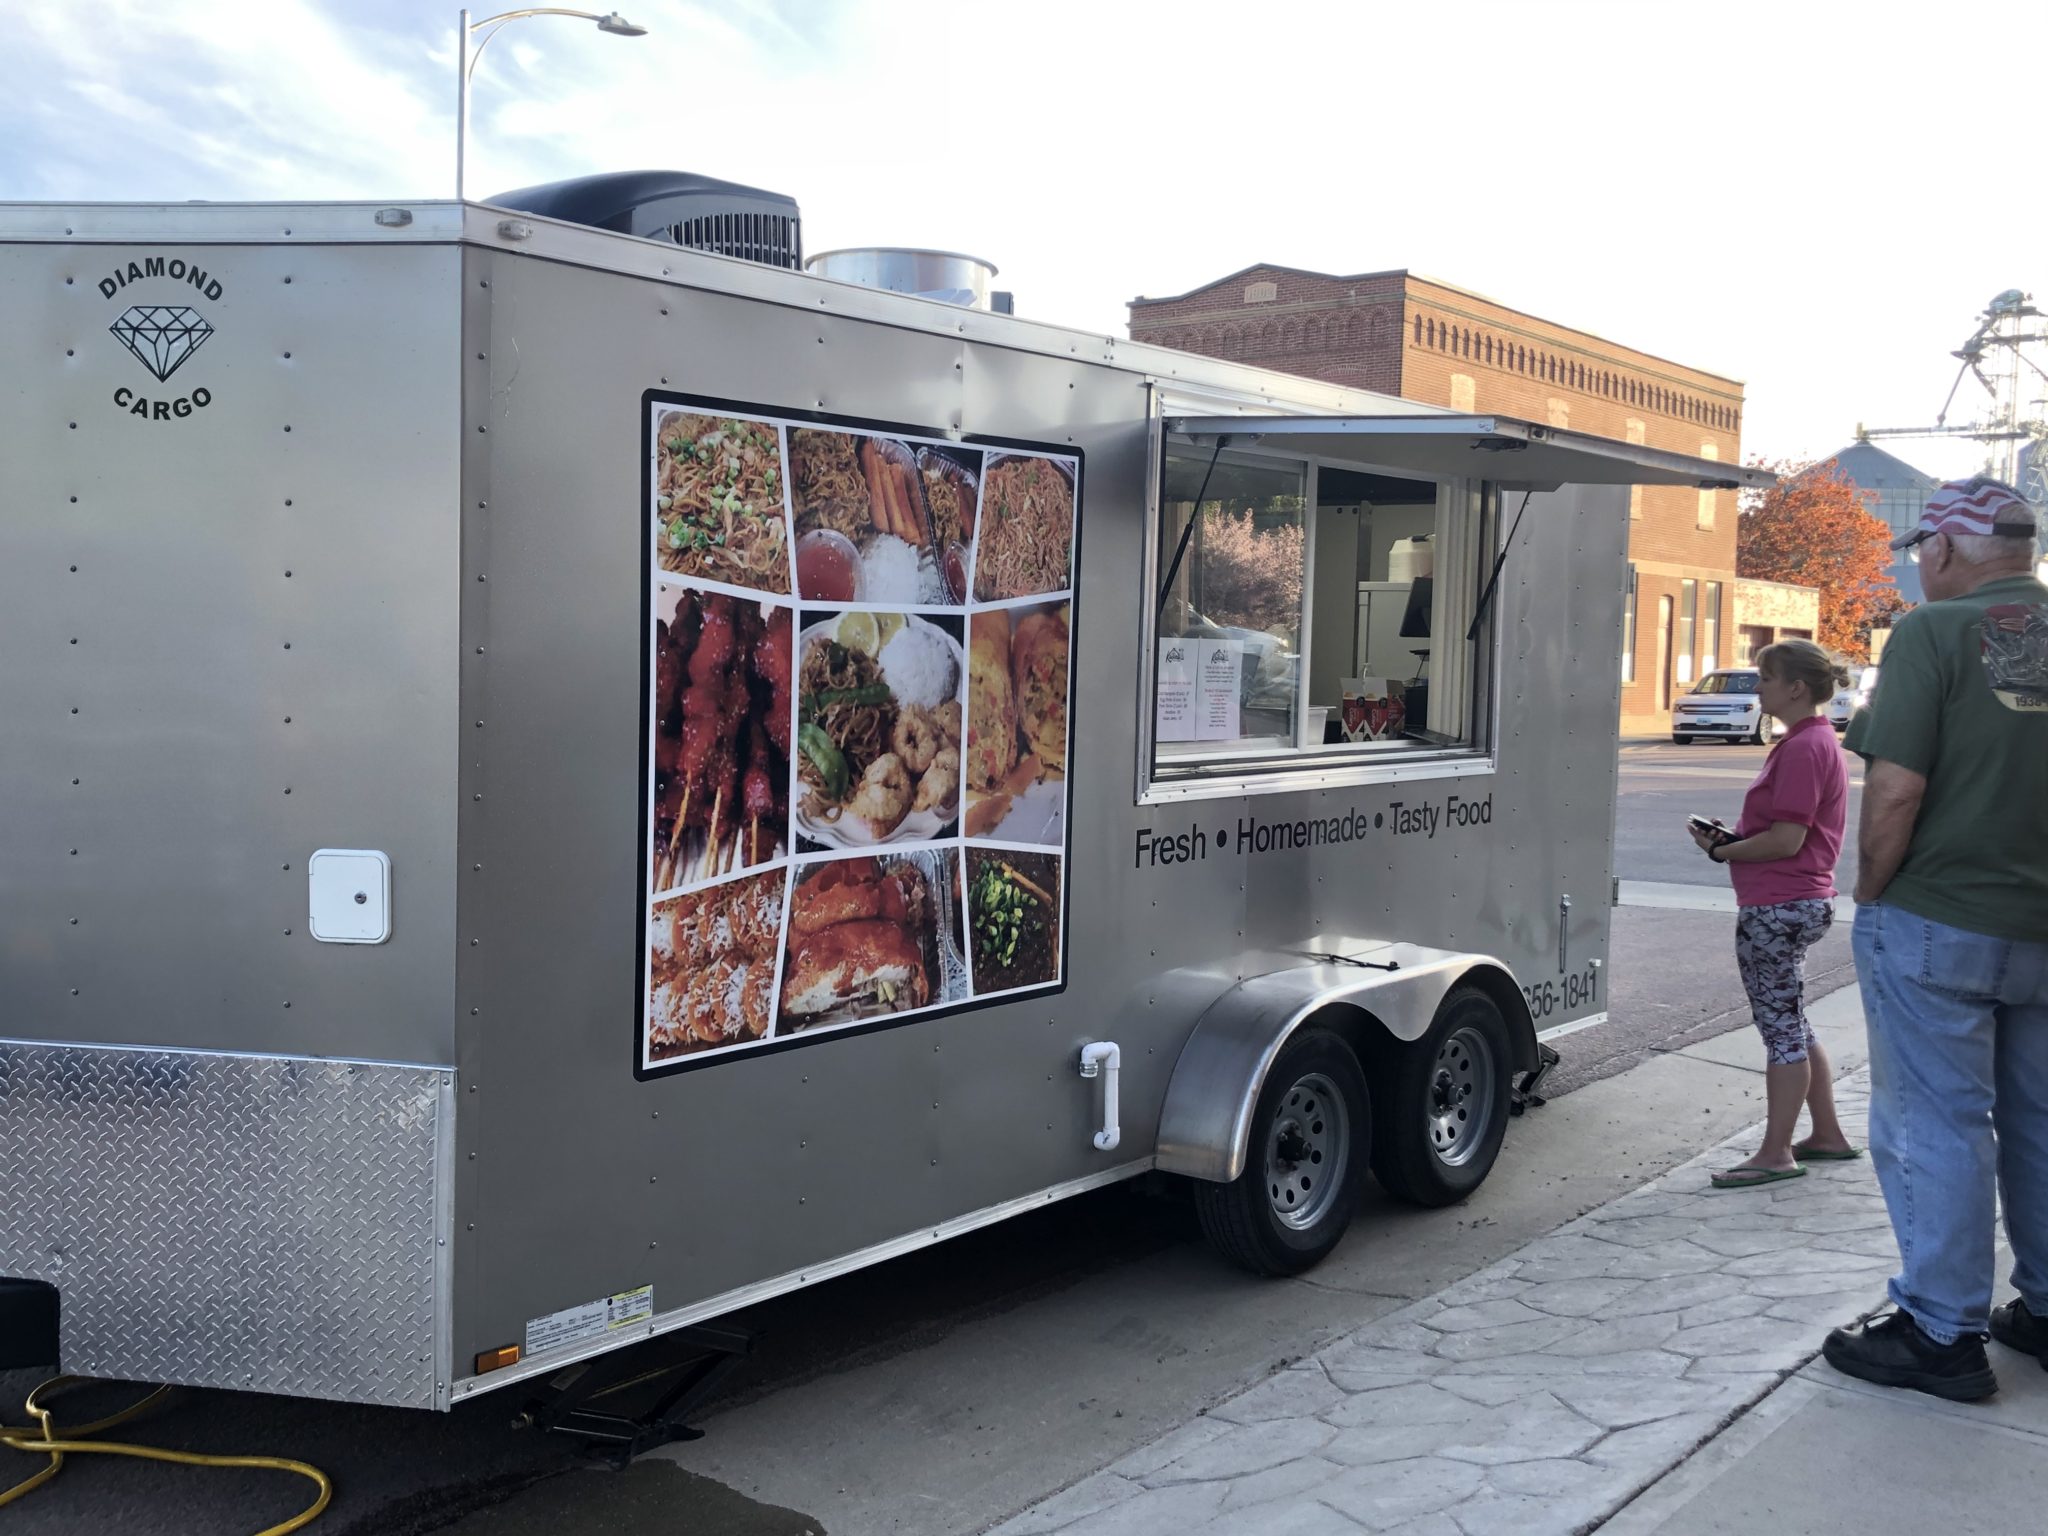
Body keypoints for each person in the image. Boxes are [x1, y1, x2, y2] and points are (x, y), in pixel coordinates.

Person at [1822, 475, 2048, 1402]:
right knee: (2039, 1120)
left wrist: (1872, 896)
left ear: (1946, 550)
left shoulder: (1931, 633)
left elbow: (1897, 789)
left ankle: (1939, 1327)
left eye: (1921, 550)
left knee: (1934, 1123)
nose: (1919, 567)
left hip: (1941, 922)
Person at [1688, 640, 1855, 1189]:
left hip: (1778, 905)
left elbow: (1786, 840)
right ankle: (1826, 1133)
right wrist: (1735, 841)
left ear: (1796, 688)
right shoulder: (1811, 741)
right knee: (1794, 1021)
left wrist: (1721, 850)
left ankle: (1775, 1152)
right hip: (1798, 900)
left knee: (1780, 1029)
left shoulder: (1806, 747)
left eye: (1764, 677)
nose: (1756, 687)